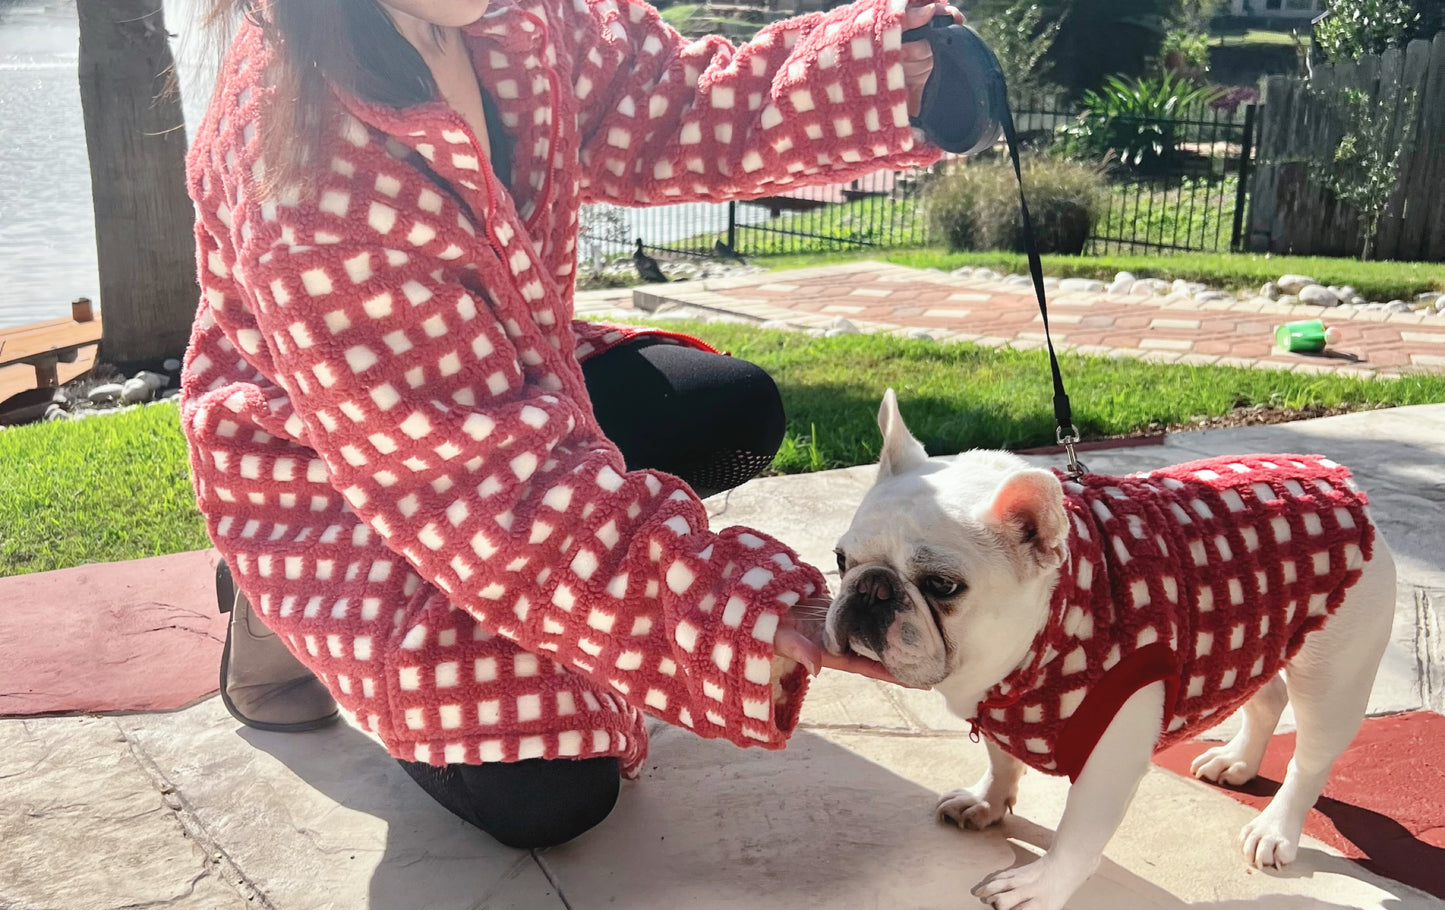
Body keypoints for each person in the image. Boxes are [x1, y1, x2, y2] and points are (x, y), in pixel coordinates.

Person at [185, 0, 957, 850]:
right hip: (338, 467)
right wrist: (732, 614)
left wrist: (889, 74)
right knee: (551, 787)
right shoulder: (306, 168)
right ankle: (280, 591)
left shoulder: (512, 10)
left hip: (494, 395)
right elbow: (488, 492)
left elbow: (662, 97)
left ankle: (551, 605)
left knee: (730, 409)